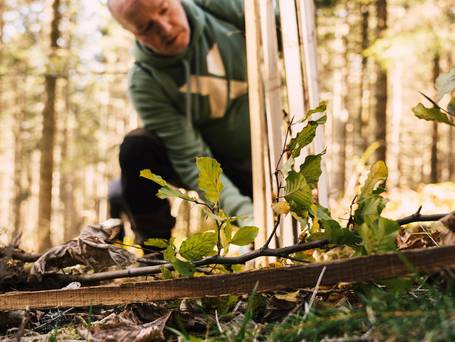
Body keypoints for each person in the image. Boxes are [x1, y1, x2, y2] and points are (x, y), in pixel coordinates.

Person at [107, 0, 253, 245]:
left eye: (164, 9)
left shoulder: (217, 8)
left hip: (263, 163)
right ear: (133, 34)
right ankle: (156, 254)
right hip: (212, 166)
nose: (164, 28)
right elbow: (191, 158)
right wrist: (248, 216)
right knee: (137, 148)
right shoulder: (145, 82)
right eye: (147, 28)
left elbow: (282, 23)